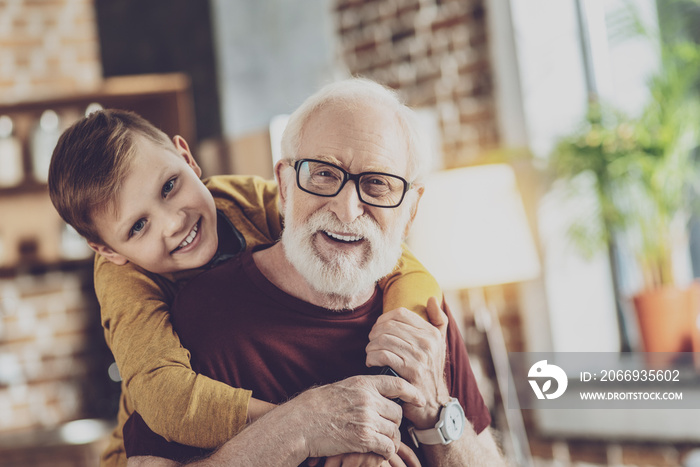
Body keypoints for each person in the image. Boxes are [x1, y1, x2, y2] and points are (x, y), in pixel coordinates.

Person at [124, 78, 505, 466]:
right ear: (285, 186)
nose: (347, 209)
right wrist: (300, 426)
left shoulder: (421, 315)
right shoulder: (201, 313)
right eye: (323, 174)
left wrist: (436, 407)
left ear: (410, 210)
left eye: (377, 184)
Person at [47, 109, 443, 467]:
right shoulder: (122, 277)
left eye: (169, 186)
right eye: (138, 226)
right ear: (107, 249)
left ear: (186, 157)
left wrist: (401, 331)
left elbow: (397, 262)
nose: (172, 222)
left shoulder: (248, 199)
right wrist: (321, 428)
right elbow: (166, 400)